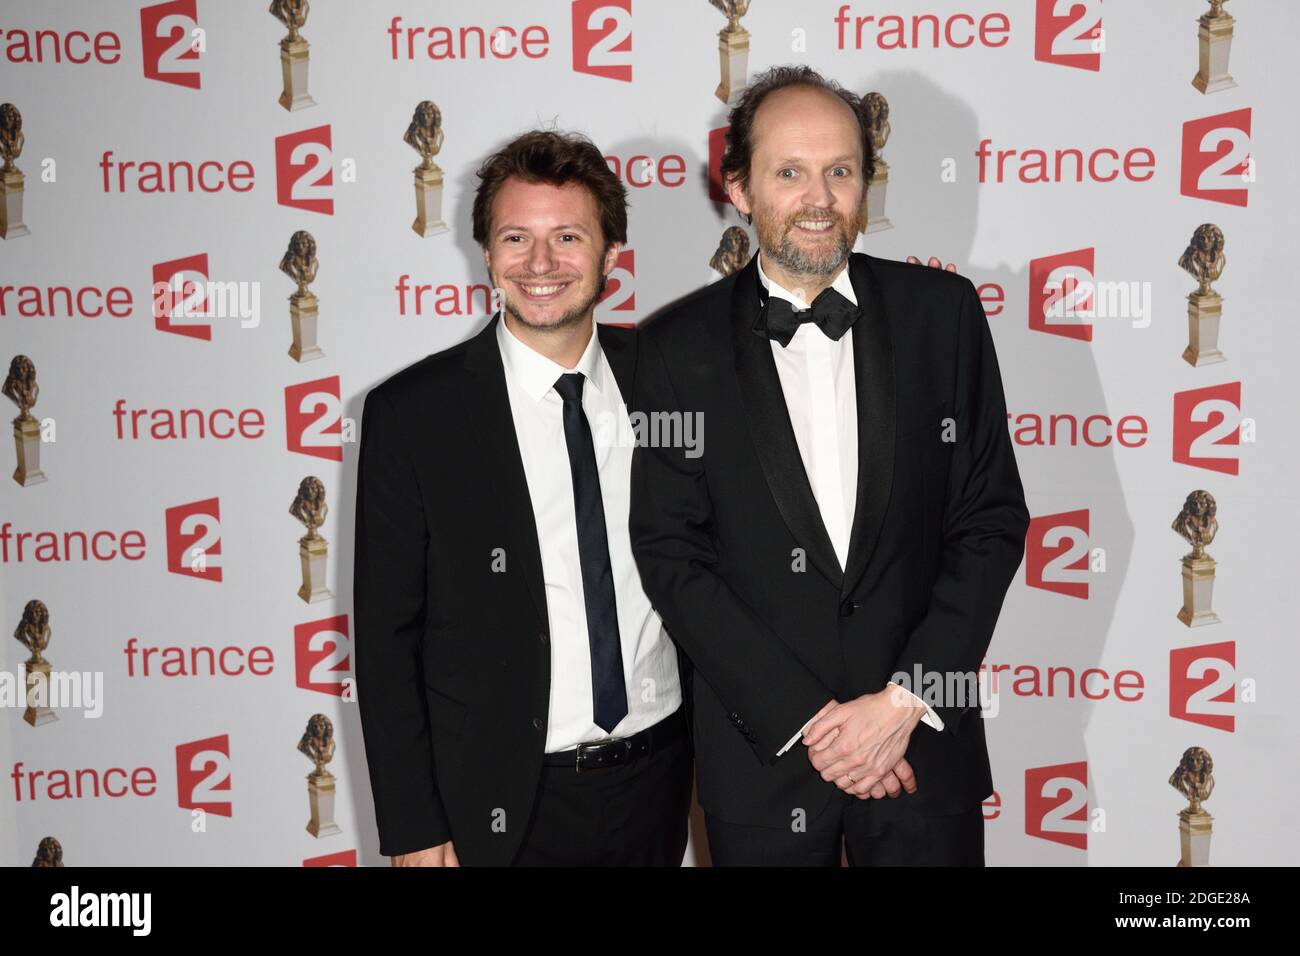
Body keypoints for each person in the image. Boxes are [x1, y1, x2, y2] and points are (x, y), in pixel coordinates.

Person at [629, 65, 1029, 866]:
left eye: (840, 172)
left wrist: (904, 703)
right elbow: (673, 553)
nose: (820, 198)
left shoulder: (943, 319)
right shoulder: (674, 349)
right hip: (765, 764)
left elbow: (989, 521)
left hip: (921, 753)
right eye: (790, 172)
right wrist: (816, 723)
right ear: (738, 187)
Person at [355, 129, 690, 867]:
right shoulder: (414, 415)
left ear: (609, 255)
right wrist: (414, 826)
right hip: (500, 800)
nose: (540, 264)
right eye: (516, 237)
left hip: (659, 779)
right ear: (487, 253)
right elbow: (386, 643)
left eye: (568, 236)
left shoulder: (672, 383)